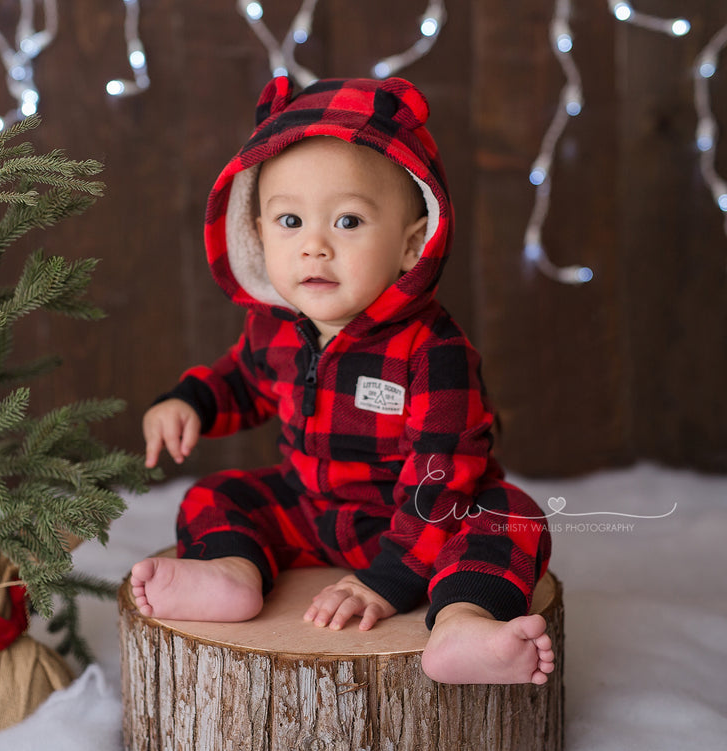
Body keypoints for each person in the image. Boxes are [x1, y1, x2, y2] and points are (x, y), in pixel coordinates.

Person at [130, 77, 554, 685]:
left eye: (349, 221)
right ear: (256, 231)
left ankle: (464, 620)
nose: (314, 247)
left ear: (413, 245)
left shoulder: (434, 351)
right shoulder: (275, 327)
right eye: (290, 221)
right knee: (216, 494)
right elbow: (244, 384)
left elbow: (444, 472)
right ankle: (233, 573)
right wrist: (188, 400)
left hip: (419, 522)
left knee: (511, 518)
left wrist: (390, 580)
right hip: (313, 509)